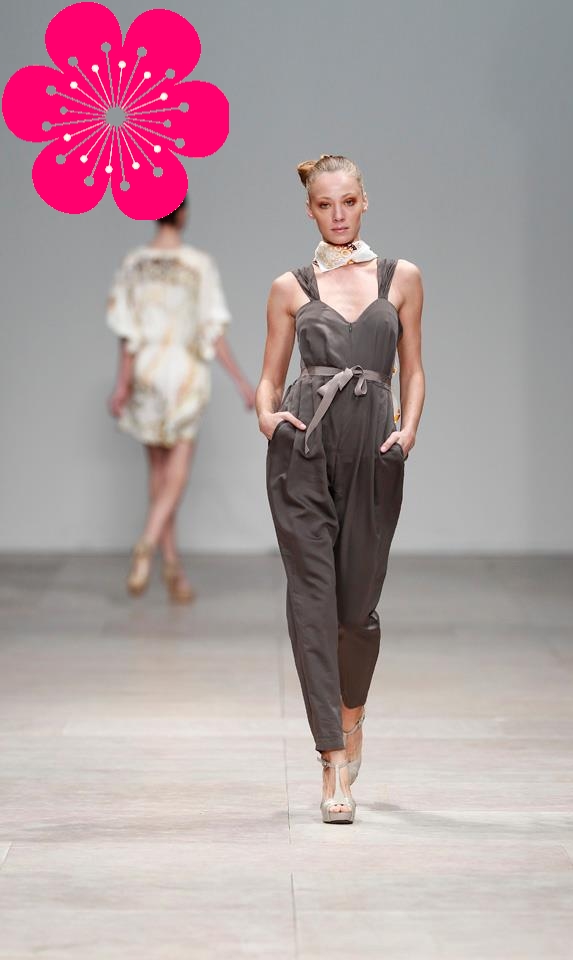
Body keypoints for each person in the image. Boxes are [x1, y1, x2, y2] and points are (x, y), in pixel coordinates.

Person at [255, 154, 426, 823]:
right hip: (303, 449)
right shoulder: (289, 288)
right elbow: (270, 378)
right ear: (309, 210)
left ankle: (352, 716)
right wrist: (268, 418)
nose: (337, 214)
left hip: (374, 454)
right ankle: (332, 759)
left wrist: (408, 431)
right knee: (312, 603)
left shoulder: (401, 278)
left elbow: (413, 368)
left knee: (357, 611)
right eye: (325, 205)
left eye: (348, 201)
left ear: (364, 201)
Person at [107, 195, 255, 602]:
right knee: (176, 474)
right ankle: (147, 544)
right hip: (185, 371)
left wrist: (122, 384)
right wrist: (241, 381)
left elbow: (127, 331)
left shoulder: (134, 263)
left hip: (146, 369)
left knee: (158, 474)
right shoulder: (198, 264)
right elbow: (212, 330)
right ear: (184, 212)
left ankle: (172, 569)